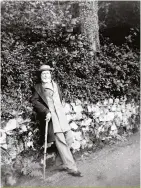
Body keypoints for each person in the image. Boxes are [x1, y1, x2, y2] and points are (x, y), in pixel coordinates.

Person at [31, 64, 82, 177]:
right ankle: (72, 167)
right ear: (40, 76)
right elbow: (34, 101)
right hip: (52, 118)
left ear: (50, 74)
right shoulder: (38, 87)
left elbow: (60, 97)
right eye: (43, 74)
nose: (45, 75)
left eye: (47, 73)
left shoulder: (55, 85)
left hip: (61, 116)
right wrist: (46, 111)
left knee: (69, 138)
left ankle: (60, 162)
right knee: (61, 142)